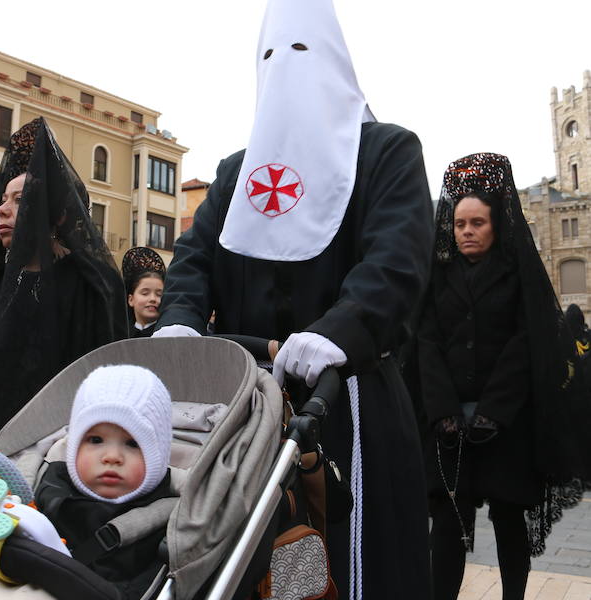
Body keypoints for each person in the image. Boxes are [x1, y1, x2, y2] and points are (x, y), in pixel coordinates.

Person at [153, 2, 433, 596]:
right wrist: (179, 322)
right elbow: (194, 257)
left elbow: (397, 258)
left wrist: (339, 329)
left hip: (347, 402)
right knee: (272, 560)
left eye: (301, 51)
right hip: (250, 410)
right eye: (271, 56)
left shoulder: (386, 151)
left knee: (341, 556)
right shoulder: (236, 172)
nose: (285, 67)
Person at [418, 153, 591, 600]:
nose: (467, 231)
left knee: (509, 520)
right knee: (447, 522)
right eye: (460, 224)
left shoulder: (517, 276)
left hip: (506, 425)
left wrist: (493, 411)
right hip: (450, 428)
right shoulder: (438, 278)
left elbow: (524, 344)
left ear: (495, 225)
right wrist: (443, 411)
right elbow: (427, 343)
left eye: (477, 223)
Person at [0, 117, 127, 450]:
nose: (1, 209)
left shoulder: (90, 285)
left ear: (57, 215)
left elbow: (101, 378)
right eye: (2, 199)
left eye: (18, 199)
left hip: (56, 449)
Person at [35, 364, 173, 600]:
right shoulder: (49, 487)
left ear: (157, 456)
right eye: (96, 440)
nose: (112, 457)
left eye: (132, 443)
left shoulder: (163, 520)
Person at [121, 247, 166, 338]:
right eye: (145, 293)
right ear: (131, 299)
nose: (152, 299)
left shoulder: (167, 336)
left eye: (159, 294)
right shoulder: (120, 335)